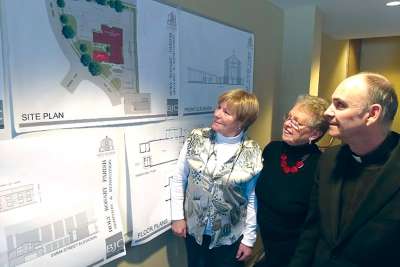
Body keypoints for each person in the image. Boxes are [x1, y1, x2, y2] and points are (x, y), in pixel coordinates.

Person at [289, 72, 399, 267]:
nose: (327, 112)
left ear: (372, 114)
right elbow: (311, 230)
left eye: (340, 105)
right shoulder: (329, 159)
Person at [171, 88, 263, 267]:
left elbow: (252, 198)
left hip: (229, 237)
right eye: (218, 107)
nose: (216, 114)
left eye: (226, 112)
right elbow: (179, 178)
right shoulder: (196, 138)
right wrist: (177, 216)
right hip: (193, 230)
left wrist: (249, 238)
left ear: (241, 122)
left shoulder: (252, 152)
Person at [255, 95, 329, 267]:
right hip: (268, 248)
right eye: (289, 117)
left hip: (297, 256)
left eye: (297, 122)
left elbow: (316, 225)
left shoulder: (320, 166)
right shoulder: (272, 150)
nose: (288, 124)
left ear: (315, 133)